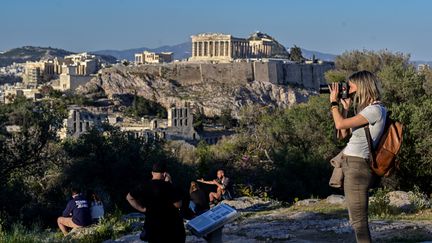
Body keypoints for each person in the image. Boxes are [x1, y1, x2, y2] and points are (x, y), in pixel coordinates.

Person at [329, 70, 387, 243]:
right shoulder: (367, 110)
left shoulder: (375, 110)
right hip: (351, 165)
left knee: (359, 223)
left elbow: (338, 123)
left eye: (351, 84)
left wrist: (333, 103)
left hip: (357, 168)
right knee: (356, 220)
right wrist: (345, 109)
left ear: (362, 86)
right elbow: (343, 133)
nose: (348, 88)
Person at [126, 162, 185, 243]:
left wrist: (142, 209)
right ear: (165, 174)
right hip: (170, 227)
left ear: (152, 173)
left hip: (152, 227)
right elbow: (178, 204)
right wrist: (170, 183)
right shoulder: (168, 186)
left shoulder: (143, 185)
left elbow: (129, 197)